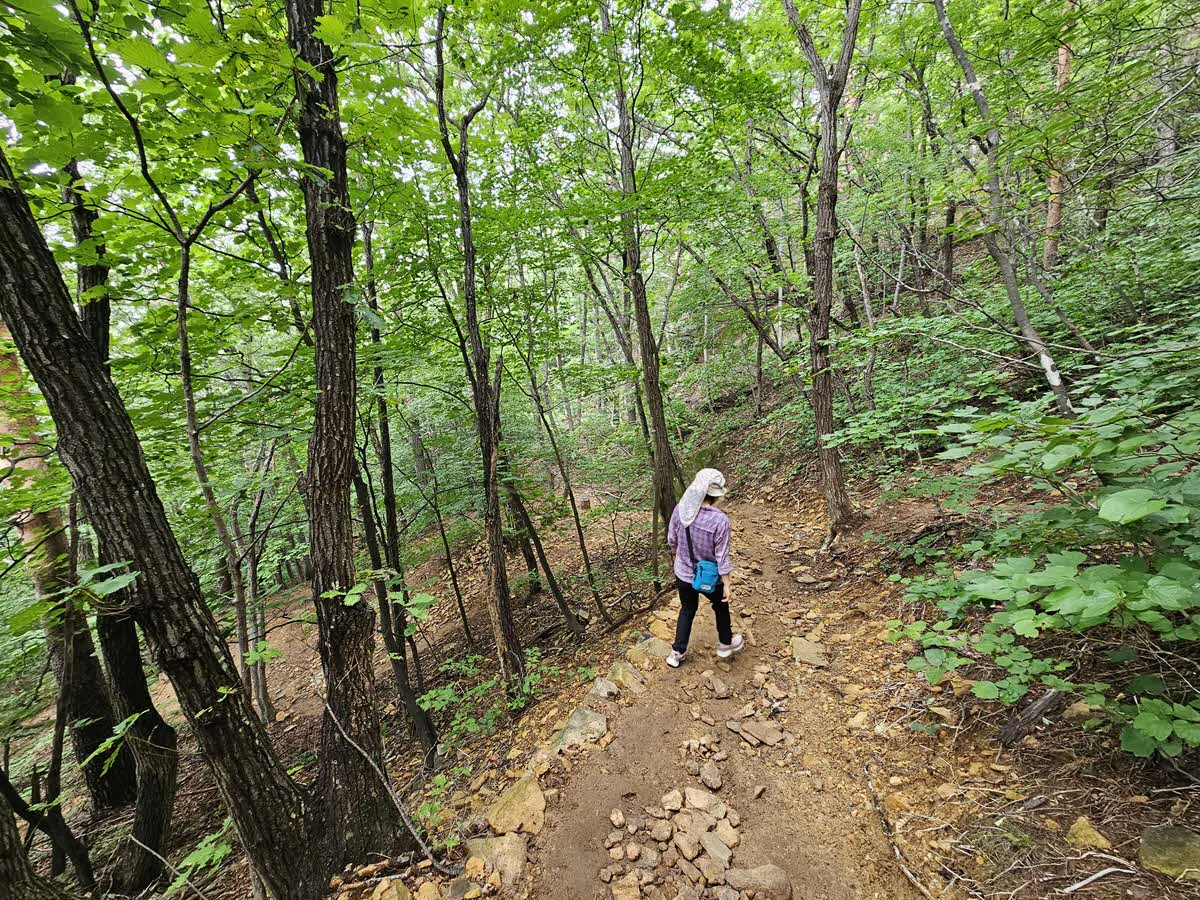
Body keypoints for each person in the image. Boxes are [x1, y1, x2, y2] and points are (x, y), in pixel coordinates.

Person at [665, 468, 744, 668]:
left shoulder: (681, 509)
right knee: (720, 606)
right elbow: (722, 556)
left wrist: (678, 558)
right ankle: (725, 644)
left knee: (687, 609)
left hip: (683, 573)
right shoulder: (720, 520)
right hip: (710, 577)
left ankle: (676, 653)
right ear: (716, 495)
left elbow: (672, 540)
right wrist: (727, 583)